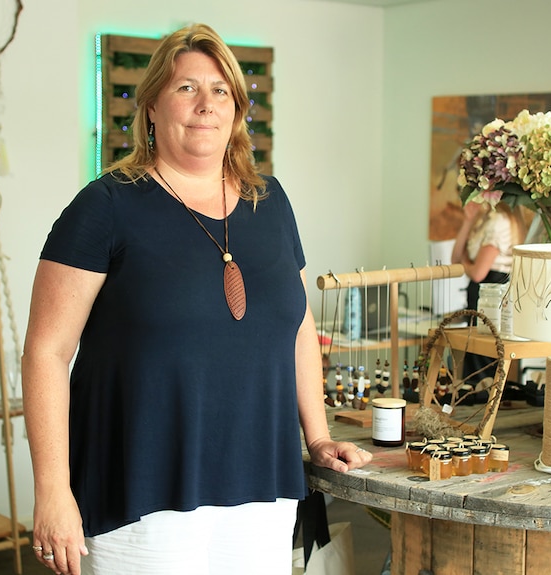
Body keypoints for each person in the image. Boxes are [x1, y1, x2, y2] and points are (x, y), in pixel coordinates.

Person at [21, 23, 372, 575]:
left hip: (263, 488)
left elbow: (299, 329)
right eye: (186, 88)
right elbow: (45, 352)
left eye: (221, 90)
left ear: (236, 109)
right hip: (142, 495)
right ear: (152, 107)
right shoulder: (106, 207)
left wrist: (320, 436)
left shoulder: (271, 203)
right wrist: (52, 490)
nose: (205, 103)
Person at [451, 200, 526, 383]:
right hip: (489, 291)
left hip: (489, 292)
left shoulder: (499, 221)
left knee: (482, 354)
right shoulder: (491, 218)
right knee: (480, 351)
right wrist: (468, 221)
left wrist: (467, 266)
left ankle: (483, 401)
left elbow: (477, 272)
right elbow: (456, 258)